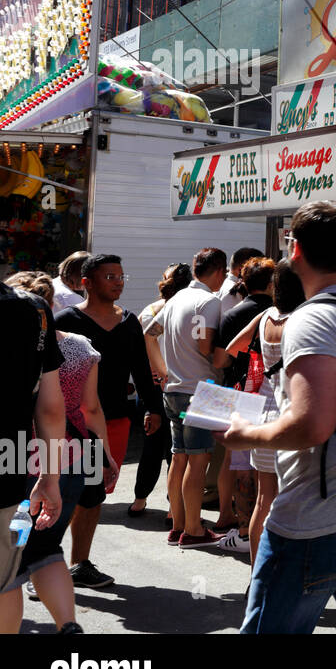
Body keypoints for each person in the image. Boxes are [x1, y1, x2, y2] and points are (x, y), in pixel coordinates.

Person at [225, 202, 336, 633]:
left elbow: (312, 425)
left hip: (314, 518)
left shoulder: (312, 320)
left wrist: (246, 434)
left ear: (297, 248)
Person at [1, 273, 115, 633]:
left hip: (24, 462)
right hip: (31, 461)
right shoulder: (45, 322)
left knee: (22, 561)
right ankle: (67, 625)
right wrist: (50, 476)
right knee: (18, 569)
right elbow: (78, 409)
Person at [55, 254, 164, 589]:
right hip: (67, 422)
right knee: (59, 494)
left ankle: (79, 564)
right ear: (87, 282)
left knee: (93, 495)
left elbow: (142, 369)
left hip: (112, 420)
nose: (118, 282)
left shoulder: (129, 321)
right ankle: (41, 563)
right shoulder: (65, 320)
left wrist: (152, 407)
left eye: (120, 276)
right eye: (110, 277)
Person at [223, 260, 305, 565]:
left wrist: (262, 364)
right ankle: (286, 573)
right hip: (291, 416)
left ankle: (257, 575)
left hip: (262, 415)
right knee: (294, 501)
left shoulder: (265, 317)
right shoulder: (304, 319)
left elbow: (233, 348)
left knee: (264, 498)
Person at [146, 248, 228, 548]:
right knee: (198, 459)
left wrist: (162, 369)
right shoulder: (209, 301)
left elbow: (149, 334)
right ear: (219, 270)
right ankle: (194, 530)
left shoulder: (177, 298)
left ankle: (178, 525)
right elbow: (207, 348)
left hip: (174, 390)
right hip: (200, 391)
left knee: (178, 457)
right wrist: (228, 357)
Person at [0, 273, 65, 634]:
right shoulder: (34, 309)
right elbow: (51, 408)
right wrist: (49, 478)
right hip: (5, 471)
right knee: (4, 584)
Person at [210, 257, 276, 553]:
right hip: (273, 395)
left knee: (237, 464)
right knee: (267, 468)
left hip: (240, 395)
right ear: (272, 283)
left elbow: (220, 360)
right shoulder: (281, 314)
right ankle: (258, 530)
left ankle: (239, 525)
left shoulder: (234, 314)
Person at [132, 263, 192, 518]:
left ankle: (139, 499)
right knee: (176, 449)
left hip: (152, 387)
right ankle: (173, 507)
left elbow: (138, 350)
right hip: (180, 385)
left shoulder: (149, 311)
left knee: (151, 444)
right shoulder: (188, 310)